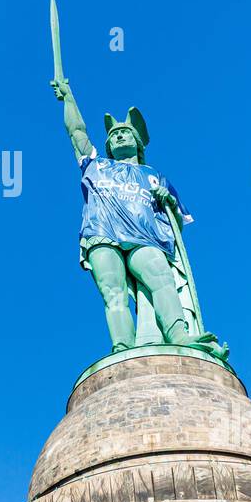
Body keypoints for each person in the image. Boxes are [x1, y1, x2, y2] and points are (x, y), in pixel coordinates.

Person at [52, 77, 193, 352]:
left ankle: (180, 337)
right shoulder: (95, 165)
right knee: (113, 294)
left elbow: (178, 228)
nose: (118, 136)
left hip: (145, 236)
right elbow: (76, 131)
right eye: (113, 134)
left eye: (125, 132)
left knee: (161, 279)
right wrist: (68, 98)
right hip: (102, 232)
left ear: (137, 142)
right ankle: (122, 348)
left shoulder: (154, 176)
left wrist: (171, 205)